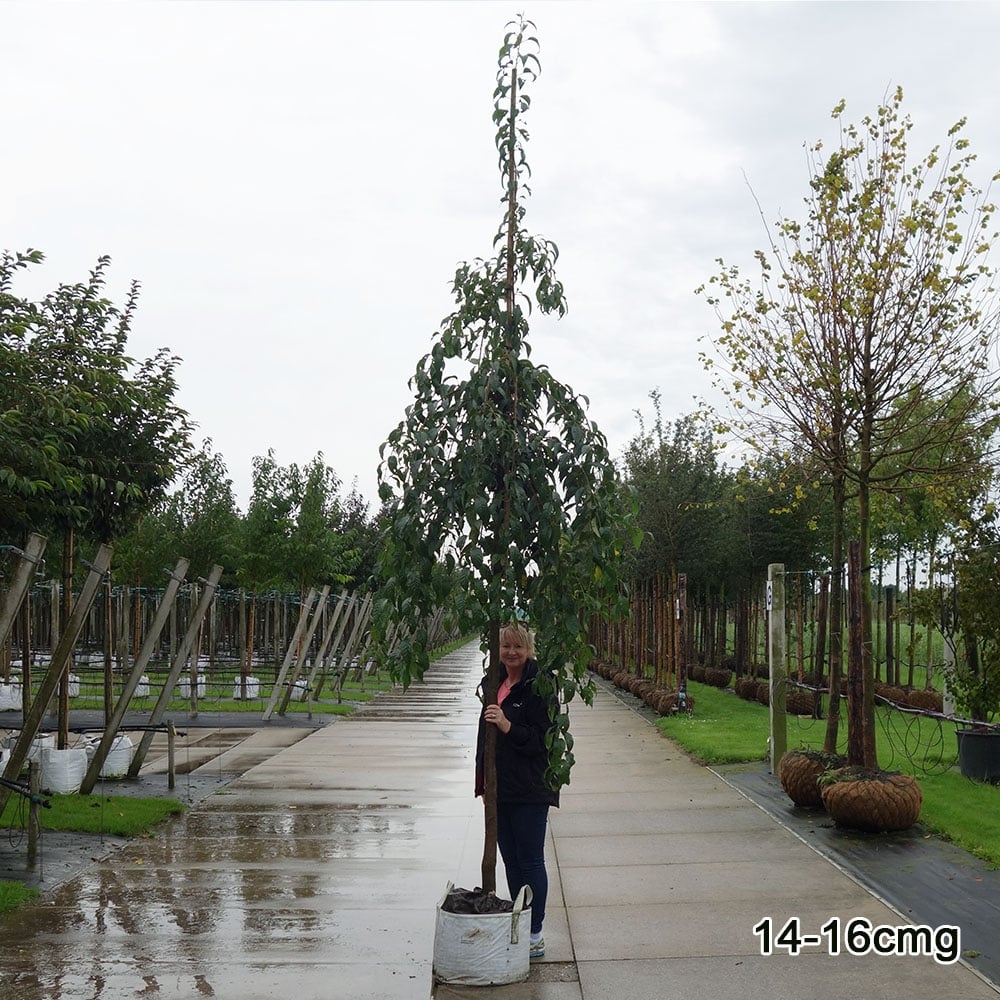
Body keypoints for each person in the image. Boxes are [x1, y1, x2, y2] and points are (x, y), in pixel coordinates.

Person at [476, 621, 558, 960]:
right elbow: (485, 737)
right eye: (505, 646)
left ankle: (535, 931)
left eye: (518, 647)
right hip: (499, 788)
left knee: (530, 860)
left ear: (529, 649)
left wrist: (509, 726)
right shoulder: (493, 681)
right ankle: (519, 922)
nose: (511, 653)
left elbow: (544, 740)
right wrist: (483, 780)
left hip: (530, 787)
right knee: (510, 860)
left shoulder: (540, 685)